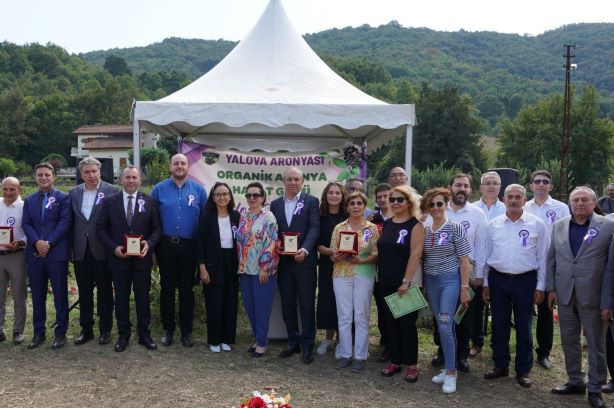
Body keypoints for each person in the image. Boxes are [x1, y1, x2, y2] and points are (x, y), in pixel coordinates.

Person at [548, 186, 614, 408]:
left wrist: (608, 301)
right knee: (569, 341)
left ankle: (595, 388)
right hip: (565, 293)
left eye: (584, 200)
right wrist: (551, 289)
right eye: (575, 200)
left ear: (594, 202)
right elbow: (552, 260)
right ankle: (575, 380)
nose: (579, 204)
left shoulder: (608, 226)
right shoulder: (558, 226)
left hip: (594, 296)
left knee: (596, 344)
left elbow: (611, 267)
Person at [482, 184, 548, 388]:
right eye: (509, 197)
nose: (513, 200)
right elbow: (486, 255)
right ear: (504, 199)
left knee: (523, 326)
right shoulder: (493, 224)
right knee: (500, 324)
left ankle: (523, 369)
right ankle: (501, 365)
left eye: (517, 197)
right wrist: (485, 283)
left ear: (524, 199)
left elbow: (543, 257)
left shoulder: (536, 224)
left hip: (525, 281)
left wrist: (540, 286)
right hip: (498, 279)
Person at [97, 166, 161, 352]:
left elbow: (157, 229)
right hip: (119, 259)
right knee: (121, 299)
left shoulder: (149, 202)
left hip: (142, 260)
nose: (131, 181)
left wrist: (149, 244)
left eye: (134, 177)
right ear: (121, 180)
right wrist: (114, 248)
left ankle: (144, 334)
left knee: (142, 298)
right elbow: (101, 228)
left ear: (140, 180)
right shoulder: (110, 202)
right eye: (128, 177)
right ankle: (123, 335)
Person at [431, 174, 487, 374]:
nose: (461, 189)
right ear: (450, 188)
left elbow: (481, 245)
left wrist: (479, 275)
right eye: (458, 185)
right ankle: (442, 352)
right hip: (440, 270)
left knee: (463, 315)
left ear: (470, 190)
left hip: (466, 270)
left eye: (465, 186)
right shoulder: (437, 209)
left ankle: (461, 355)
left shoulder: (477, 214)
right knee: (441, 314)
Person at [151, 153, 208, 348]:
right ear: (170, 167)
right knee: (167, 289)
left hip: (189, 246)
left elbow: (204, 223)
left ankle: (186, 332)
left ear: (188, 167)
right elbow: (152, 221)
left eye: (183, 163)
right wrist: (153, 251)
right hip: (165, 245)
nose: (179, 166)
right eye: (176, 163)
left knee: (186, 290)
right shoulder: (158, 190)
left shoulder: (199, 190)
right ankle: (168, 330)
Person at [421, 187, 472, 394]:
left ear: (446, 204)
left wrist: (464, 288)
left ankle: (451, 373)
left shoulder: (455, 227)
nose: (435, 208)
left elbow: (464, 260)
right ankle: (448, 366)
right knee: (444, 325)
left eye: (439, 204)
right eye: (431, 204)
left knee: (444, 324)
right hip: (431, 281)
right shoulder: (425, 230)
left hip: (450, 281)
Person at [270, 167, 320, 364]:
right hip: (284, 263)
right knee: (288, 304)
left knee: (307, 304)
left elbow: (314, 228)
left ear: (302, 181)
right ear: (283, 182)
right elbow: (273, 231)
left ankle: (308, 344)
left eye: (296, 179)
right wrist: (278, 244)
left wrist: (306, 250)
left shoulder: (311, 201)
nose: (292, 182)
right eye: (289, 179)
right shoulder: (274, 204)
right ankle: (293, 341)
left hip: (305, 262)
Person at [22, 162, 72, 350]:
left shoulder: (63, 198)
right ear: (35, 177)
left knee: (60, 294)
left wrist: (48, 242)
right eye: (40, 175)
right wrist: (37, 242)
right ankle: (38, 332)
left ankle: (60, 333)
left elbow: (65, 222)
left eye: (47, 175)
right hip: (35, 255)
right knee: (37, 295)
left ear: (54, 177)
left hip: (56, 253)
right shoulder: (29, 200)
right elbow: (26, 224)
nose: (44, 178)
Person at [69, 157, 118, 346]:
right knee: (84, 292)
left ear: (100, 172)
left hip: (103, 251)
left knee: (105, 292)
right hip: (81, 250)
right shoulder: (73, 193)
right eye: (87, 172)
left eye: (94, 171)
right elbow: (71, 222)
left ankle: (105, 330)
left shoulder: (111, 191)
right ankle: (86, 330)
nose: (91, 175)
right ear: (81, 175)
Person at [524, 170, 570, 370]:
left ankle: (544, 352)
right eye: (537, 182)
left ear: (551, 186)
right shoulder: (524, 207)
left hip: (552, 264)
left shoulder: (560, 208)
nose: (541, 185)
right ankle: (522, 349)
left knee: (546, 309)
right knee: (524, 309)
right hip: (527, 264)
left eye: (545, 182)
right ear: (531, 185)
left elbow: (567, 235)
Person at [378, 185, 424, 381]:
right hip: (385, 281)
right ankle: (395, 361)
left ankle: (412, 364)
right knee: (391, 323)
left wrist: (406, 281)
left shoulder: (416, 225)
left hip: (405, 282)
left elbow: (416, 255)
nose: (395, 203)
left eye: (400, 199)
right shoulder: (387, 224)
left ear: (409, 202)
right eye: (393, 199)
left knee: (406, 324)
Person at [330, 191, 379, 373]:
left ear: (364, 206)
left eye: (359, 203)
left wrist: (361, 260)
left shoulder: (371, 228)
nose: (356, 206)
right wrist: (337, 256)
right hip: (341, 273)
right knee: (344, 316)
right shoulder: (339, 228)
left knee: (361, 316)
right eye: (352, 203)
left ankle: (360, 356)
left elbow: (376, 254)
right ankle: (345, 353)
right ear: (347, 207)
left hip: (363, 273)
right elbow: (333, 256)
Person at [235, 182, 279, 358]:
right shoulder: (243, 216)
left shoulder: (268, 217)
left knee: (262, 308)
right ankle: (258, 338)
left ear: (263, 198)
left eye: (256, 195)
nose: (252, 198)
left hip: (262, 271)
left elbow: (272, 243)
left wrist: (265, 268)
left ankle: (262, 343)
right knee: (250, 307)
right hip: (245, 269)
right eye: (249, 195)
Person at [197, 182, 240, 353]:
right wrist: (202, 268)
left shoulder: (236, 216)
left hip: (232, 262)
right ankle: (214, 340)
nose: (222, 197)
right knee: (214, 302)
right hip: (212, 263)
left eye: (225, 194)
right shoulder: (206, 217)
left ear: (230, 197)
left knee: (230, 301)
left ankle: (226, 338)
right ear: (213, 198)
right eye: (218, 194)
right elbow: (200, 244)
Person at [470, 170, 506, 357]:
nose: (491, 186)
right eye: (487, 183)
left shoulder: (507, 208)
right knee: (476, 305)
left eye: (495, 183)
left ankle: (497, 344)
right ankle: (476, 341)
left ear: (500, 187)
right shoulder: (472, 208)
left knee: (499, 306)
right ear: (481, 187)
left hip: (499, 263)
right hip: (477, 262)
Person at [315, 181, 347, 356]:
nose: (334, 196)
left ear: (342, 196)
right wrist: (330, 252)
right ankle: (328, 338)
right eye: (330, 193)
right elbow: (317, 243)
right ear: (325, 196)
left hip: (347, 265)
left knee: (343, 301)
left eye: (337, 193)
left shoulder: (349, 216)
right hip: (328, 264)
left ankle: (342, 340)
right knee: (328, 299)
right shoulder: (320, 217)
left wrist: (343, 254)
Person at [0, 177, 27, 345]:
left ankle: (18, 331)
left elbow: (30, 231)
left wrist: (19, 242)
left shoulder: (25, 207)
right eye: (5, 189)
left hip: (17, 255)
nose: (8, 193)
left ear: (20, 189)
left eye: (12, 189)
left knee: (19, 295)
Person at [369, 183, 393, 362]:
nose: (383, 199)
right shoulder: (372, 220)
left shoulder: (400, 217)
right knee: (382, 308)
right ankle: (385, 341)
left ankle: (395, 343)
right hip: (376, 270)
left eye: (387, 196)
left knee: (394, 308)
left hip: (394, 270)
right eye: (380, 197)